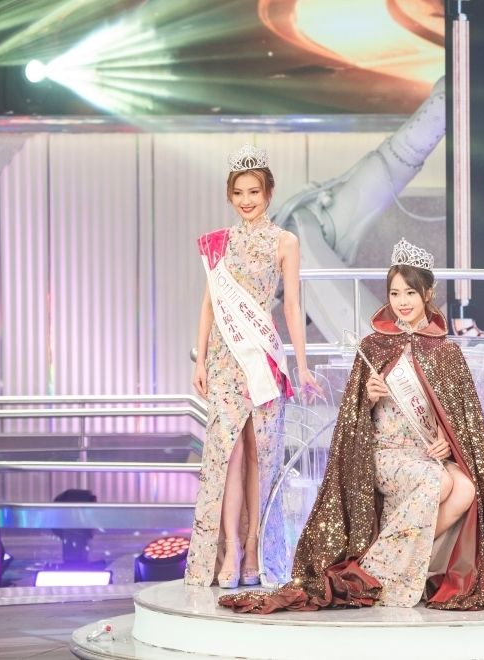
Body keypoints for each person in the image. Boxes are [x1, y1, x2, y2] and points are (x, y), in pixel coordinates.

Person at [220, 239, 484, 612]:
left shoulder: (447, 352)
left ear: (428, 294)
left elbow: (462, 420)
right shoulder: (374, 346)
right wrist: (368, 397)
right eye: (395, 293)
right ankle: (381, 571)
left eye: (410, 292)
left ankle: (387, 567)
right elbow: (351, 419)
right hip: (385, 455)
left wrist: (448, 440)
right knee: (440, 481)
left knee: (465, 488)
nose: (402, 301)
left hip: (425, 453)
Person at [185, 144, 320, 589]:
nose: (246, 200)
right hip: (225, 362)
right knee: (229, 456)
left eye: (254, 192)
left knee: (261, 455)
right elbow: (209, 305)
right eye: (239, 192)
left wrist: (302, 365)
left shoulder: (286, 242)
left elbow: (293, 306)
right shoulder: (218, 243)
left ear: (269, 193)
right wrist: (200, 358)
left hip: (262, 358)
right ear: (230, 195)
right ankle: (231, 549)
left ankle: (256, 546)